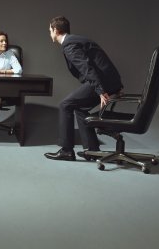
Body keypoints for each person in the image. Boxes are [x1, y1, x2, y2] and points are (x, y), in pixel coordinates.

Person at [44, 16, 123, 161]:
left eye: (50, 30)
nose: (50, 33)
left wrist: (101, 90)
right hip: (109, 82)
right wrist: (115, 87)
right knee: (79, 108)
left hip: (102, 83)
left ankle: (66, 150)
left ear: (56, 30)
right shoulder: (75, 40)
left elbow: (87, 68)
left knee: (65, 105)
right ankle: (92, 151)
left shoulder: (69, 44)